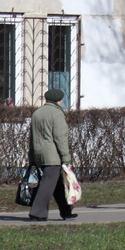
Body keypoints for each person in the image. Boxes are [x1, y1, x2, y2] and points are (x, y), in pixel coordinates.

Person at [28, 88, 76, 221]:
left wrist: (31, 158)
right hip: (52, 155)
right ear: (58, 100)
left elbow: (31, 138)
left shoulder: (37, 113)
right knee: (48, 182)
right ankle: (37, 212)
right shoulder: (57, 114)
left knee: (57, 183)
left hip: (39, 154)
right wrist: (66, 157)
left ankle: (66, 211)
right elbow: (60, 137)